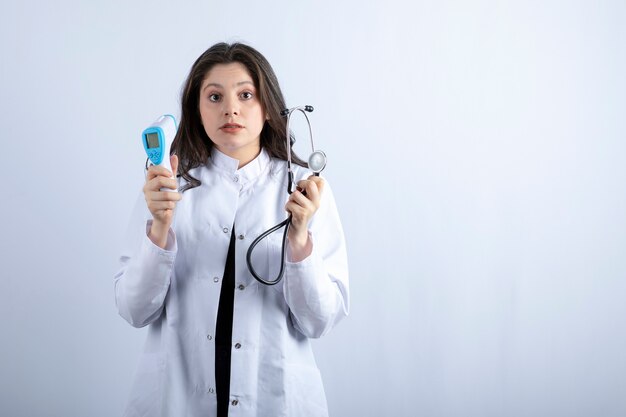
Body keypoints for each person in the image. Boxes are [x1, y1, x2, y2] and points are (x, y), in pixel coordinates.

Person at [114, 42, 349, 417]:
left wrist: (300, 239)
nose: (231, 109)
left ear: (269, 108)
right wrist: (160, 228)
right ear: (196, 110)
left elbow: (319, 321)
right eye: (214, 96)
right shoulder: (167, 187)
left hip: (275, 398)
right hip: (178, 398)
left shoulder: (305, 188)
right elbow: (133, 309)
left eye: (245, 94)